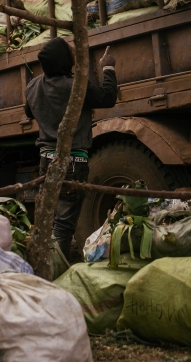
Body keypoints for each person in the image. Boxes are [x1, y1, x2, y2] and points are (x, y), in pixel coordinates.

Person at [24, 38, 117, 257]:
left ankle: (47, 267)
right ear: (63, 60)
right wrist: (108, 67)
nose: (74, 52)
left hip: (46, 161)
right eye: (70, 51)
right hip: (72, 163)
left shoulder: (33, 85)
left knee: (50, 222)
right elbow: (108, 97)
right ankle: (56, 275)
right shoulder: (74, 87)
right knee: (64, 225)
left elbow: (29, 112)